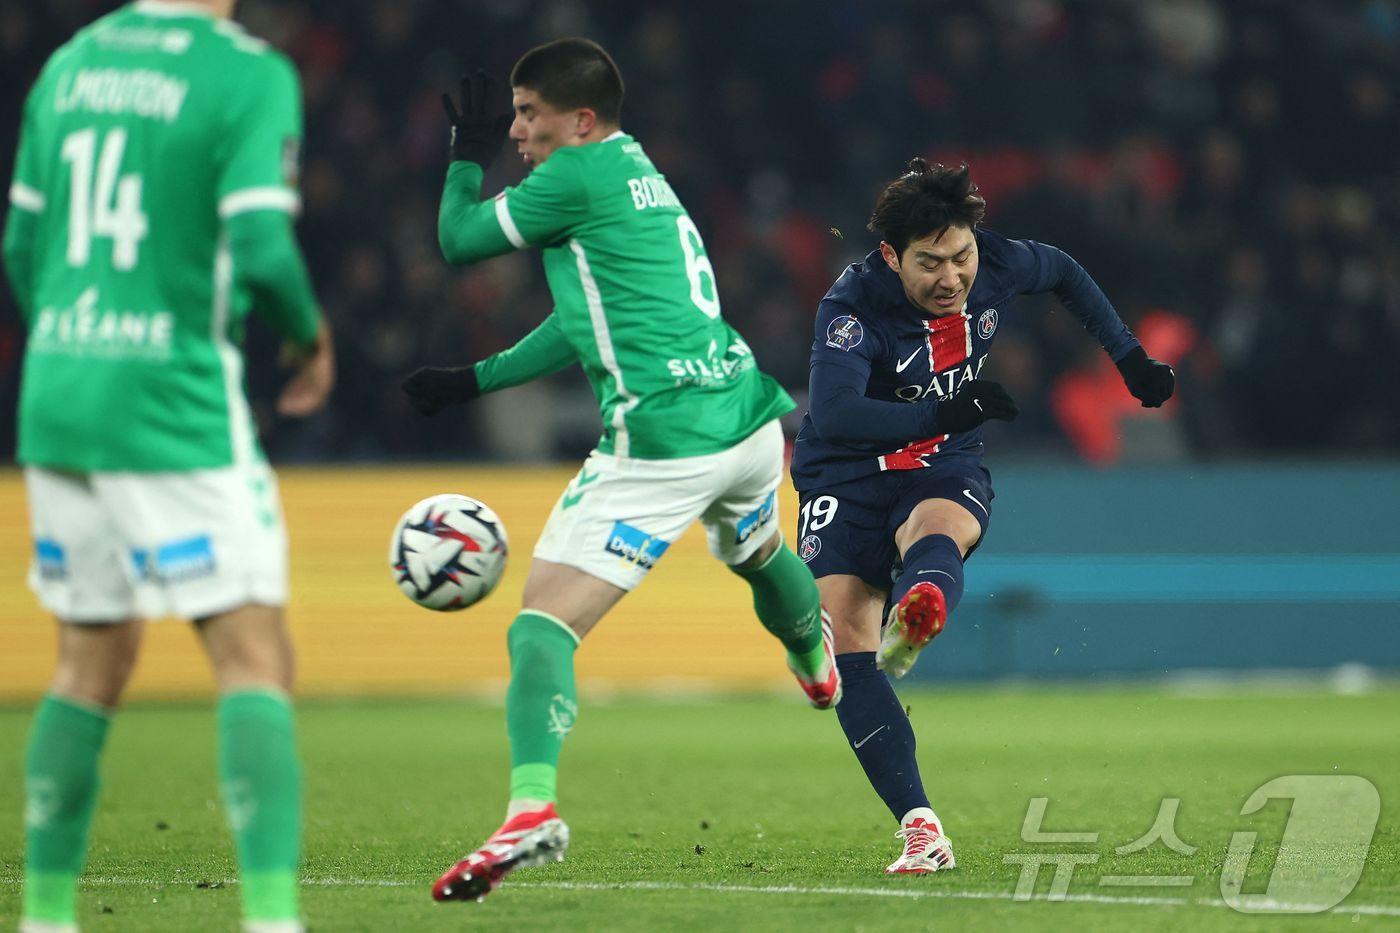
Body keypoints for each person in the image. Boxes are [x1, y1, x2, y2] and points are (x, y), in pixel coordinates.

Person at [400, 39, 839, 902]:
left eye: (530, 114)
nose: (517, 130)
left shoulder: (571, 178)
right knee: (755, 553)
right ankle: (814, 656)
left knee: (540, 629)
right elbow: (585, 318)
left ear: (582, 120)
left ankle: (530, 807)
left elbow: (456, 241)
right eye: (513, 115)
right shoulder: (634, 169)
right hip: (747, 413)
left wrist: (464, 155)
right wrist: (476, 378)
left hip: (664, 441)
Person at [3, 2, 334, 931]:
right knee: (254, 656)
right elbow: (264, 249)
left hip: (60, 397)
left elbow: (20, 249)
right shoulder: (245, 73)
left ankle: (45, 916)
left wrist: (80, 342)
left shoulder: (70, 65)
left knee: (88, 662)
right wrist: (310, 340)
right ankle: (273, 919)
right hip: (173, 400)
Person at [790, 159, 1174, 874]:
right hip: (846, 469)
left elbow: (1062, 269)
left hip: (942, 457)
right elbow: (838, 411)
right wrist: (945, 408)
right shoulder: (852, 305)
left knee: (937, 529)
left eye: (961, 256)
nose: (952, 277)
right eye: (929, 263)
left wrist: (1129, 357)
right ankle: (920, 822)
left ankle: (923, 602)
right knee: (847, 649)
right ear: (889, 257)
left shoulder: (997, 261)